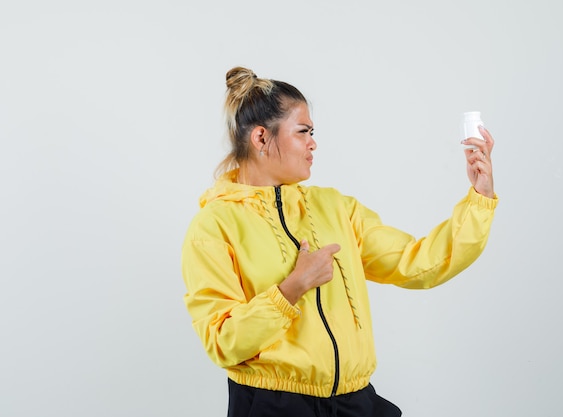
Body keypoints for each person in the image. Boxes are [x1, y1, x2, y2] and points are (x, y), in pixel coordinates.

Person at [181, 66, 498, 417]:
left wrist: (479, 198)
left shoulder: (337, 209)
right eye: (303, 132)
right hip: (273, 404)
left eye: (313, 132)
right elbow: (223, 341)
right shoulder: (213, 226)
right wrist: (291, 289)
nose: (313, 142)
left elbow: (419, 262)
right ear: (260, 139)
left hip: (354, 402)